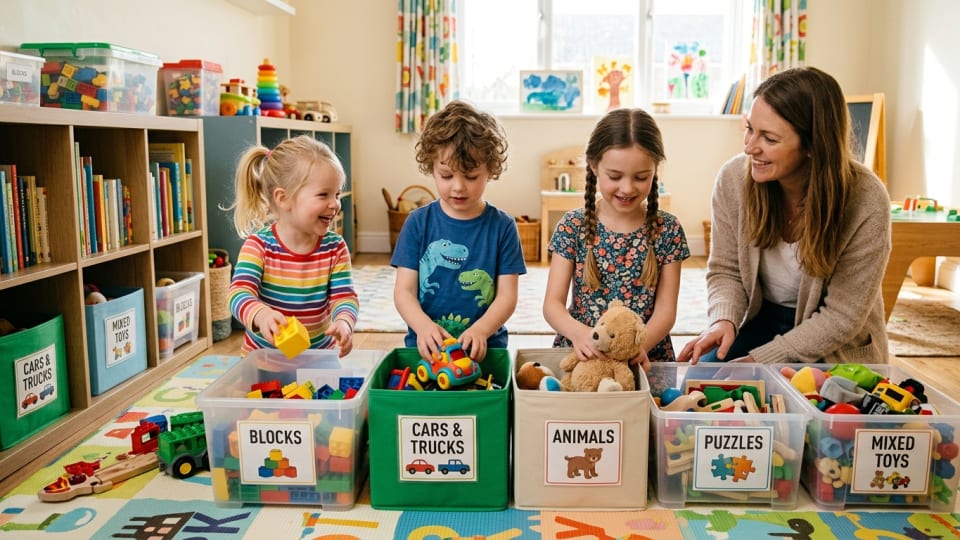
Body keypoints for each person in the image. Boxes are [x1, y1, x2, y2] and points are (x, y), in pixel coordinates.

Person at [677, 66, 891, 365]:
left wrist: (763, 361)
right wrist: (723, 321)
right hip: (760, 320)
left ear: (813, 146)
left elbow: (842, 316)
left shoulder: (867, 199)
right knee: (701, 380)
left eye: (769, 138)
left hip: (833, 342)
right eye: (750, 128)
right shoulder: (733, 179)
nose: (750, 147)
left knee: (803, 407)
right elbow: (726, 270)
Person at [543, 108, 690, 372]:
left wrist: (639, 346)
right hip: (584, 355)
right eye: (615, 176)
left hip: (646, 356)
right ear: (593, 165)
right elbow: (552, 305)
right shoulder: (572, 226)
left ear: (655, 169)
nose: (627, 188)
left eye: (641, 177)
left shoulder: (668, 230)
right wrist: (581, 334)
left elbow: (666, 311)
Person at [392, 99, 526, 362]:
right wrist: (423, 327)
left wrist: (481, 330)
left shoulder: (504, 226)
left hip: (485, 349)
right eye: (446, 176)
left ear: (490, 170)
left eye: (471, 176)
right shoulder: (417, 223)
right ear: (431, 167)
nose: (458, 187)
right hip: (427, 348)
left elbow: (507, 296)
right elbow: (404, 292)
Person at [227, 135, 358, 357]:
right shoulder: (258, 245)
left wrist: (344, 321)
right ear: (283, 198)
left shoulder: (334, 247)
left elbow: (344, 296)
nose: (335, 203)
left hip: (317, 358)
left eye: (336, 194)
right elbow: (239, 293)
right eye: (323, 195)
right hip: (262, 359)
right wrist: (262, 314)